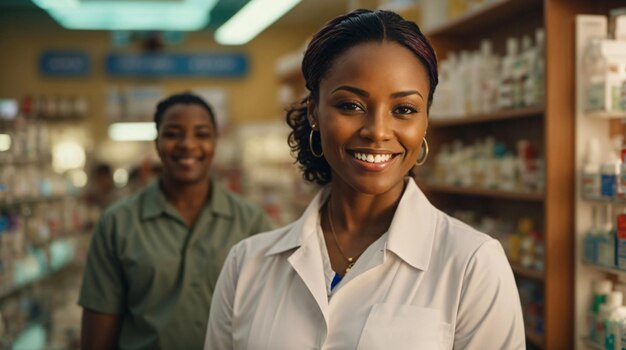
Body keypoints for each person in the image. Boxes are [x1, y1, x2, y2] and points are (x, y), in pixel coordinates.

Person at [205, 9, 525, 349]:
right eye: (351, 105)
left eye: (403, 110)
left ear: (425, 121)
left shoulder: (472, 263)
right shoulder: (248, 264)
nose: (377, 131)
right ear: (314, 111)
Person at [79, 92, 274, 350]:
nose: (188, 144)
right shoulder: (117, 223)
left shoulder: (251, 222)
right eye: (173, 134)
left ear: (215, 142)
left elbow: (271, 315)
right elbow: (98, 332)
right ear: (157, 142)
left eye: (201, 134)